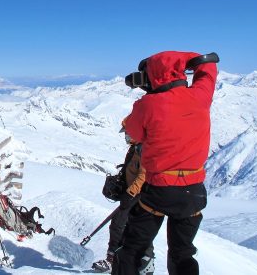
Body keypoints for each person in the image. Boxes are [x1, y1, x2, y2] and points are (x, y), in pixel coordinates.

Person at [116, 51, 218, 274]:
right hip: (194, 193)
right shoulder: (200, 96)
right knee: (182, 254)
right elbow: (209, 68)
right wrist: (191, 59)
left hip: (160, 190)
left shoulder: (147, 105)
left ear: (153, 74)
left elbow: (134, 134)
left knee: (132, 249)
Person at [92, 142, 153, 274]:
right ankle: (141, 261)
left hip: (138, 195)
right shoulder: (135, 147)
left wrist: (130, 193)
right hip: (133, 193)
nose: (126, 136)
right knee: (131, 227)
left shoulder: (144, 148)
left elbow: (143, 175)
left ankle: (114, 260)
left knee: (118, 225)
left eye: (128, 132)